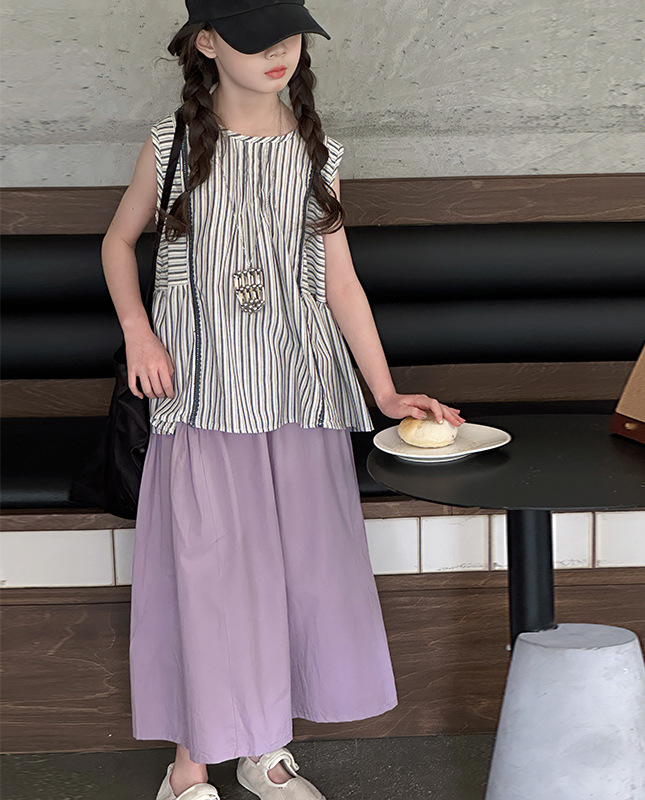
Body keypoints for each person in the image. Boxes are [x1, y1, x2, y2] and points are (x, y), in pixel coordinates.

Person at [102, 2, 465, 798]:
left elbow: (340, 282)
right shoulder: (171, 146)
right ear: (206, 42)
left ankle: (265, 752)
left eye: (290, 35)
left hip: (300, 395)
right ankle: (189, 767)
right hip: (201, 396)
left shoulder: (315, 153)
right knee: (210, 579)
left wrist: (383, 390)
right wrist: (139, 332)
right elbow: (117, 242)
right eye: (254, 38)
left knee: (293, 576)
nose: (279, 52)